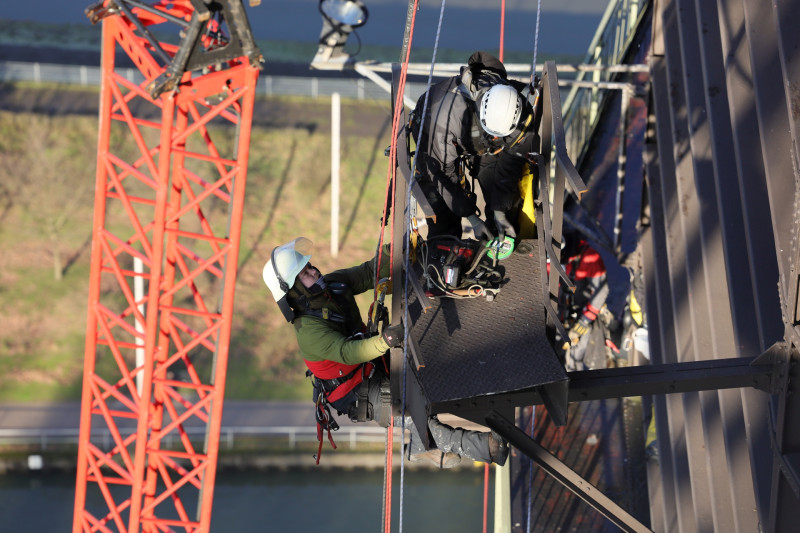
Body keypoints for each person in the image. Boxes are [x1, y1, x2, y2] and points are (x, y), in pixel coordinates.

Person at [262, 237, 509, 468]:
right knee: (413, 413)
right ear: (295, 291)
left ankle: (420, 447)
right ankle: (489, 448)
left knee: (426, 379)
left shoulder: (331, 286)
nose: (313, 271)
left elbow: (370, 272)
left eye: (309, 266)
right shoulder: (308, 330)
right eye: (304, 273)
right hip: (353, 390)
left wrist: (398, 250)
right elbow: (347, 353)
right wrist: (385, 341)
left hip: (370, 361)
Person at [410, 50, 541, 241]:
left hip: (479, 140)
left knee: (505, 196)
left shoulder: (521, 118)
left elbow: (510, 165)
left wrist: (499, 212)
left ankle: (496, 234)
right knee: (443, 213)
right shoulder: (443, 121)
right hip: (437, 139)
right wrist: (472, 219)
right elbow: (440, 174)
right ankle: (442, 250)